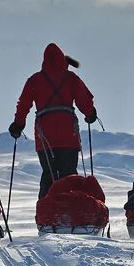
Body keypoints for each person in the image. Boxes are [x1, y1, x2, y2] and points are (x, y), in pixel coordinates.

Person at [9, 44, 97, 198]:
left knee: (49, 173)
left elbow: (23, 104)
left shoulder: (35, 80)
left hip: (45, 137)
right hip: (68, 136)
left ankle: (46, 211)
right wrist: (90, 114)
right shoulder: (71, 79)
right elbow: (85, 100)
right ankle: (72, 212)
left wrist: (18, 124)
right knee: (69, 176)